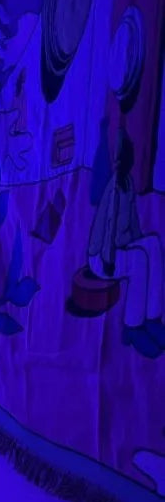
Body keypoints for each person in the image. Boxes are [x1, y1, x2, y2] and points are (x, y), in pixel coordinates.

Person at [88, 129, 165, 358]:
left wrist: (142, 241)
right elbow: (109, 227)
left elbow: (133, 221)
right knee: (139, 260)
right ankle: (133, 327)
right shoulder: (114, 188)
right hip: (102, 256)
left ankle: (152, 317)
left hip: (121, 246)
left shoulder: (128, 182)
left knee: (153, 244)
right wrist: (108, 258)